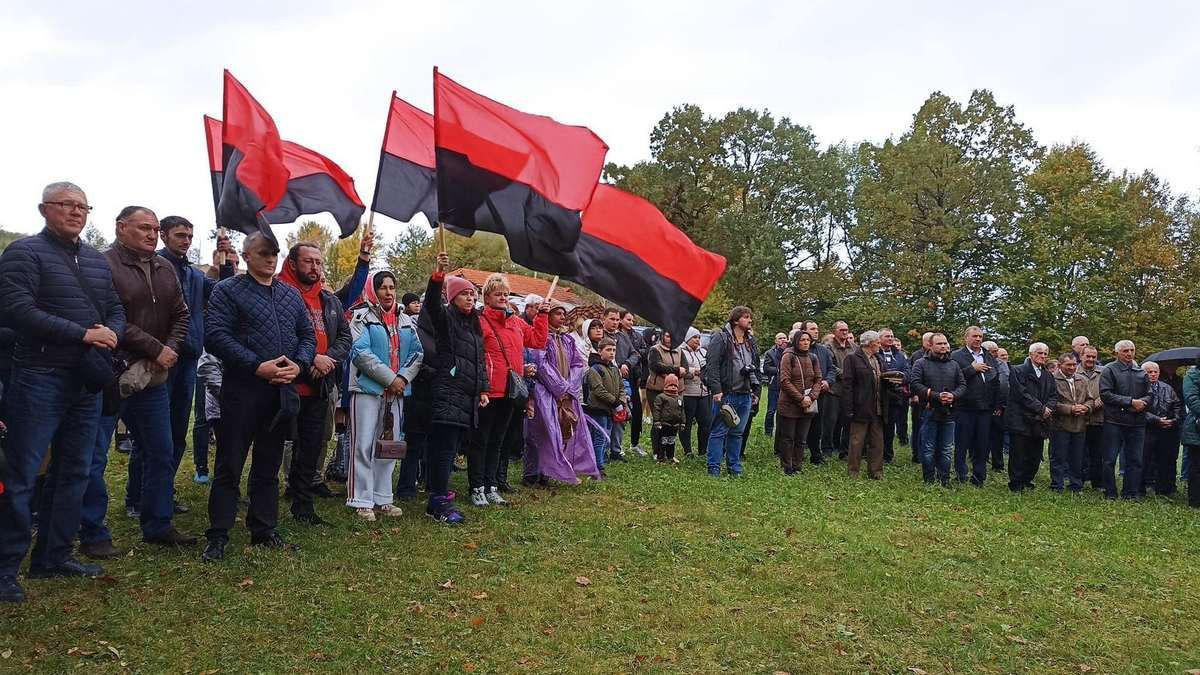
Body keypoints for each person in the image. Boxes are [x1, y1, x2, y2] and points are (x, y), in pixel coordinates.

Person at [0, 182, 126, 602]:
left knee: (74, 470)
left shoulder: (92, 259)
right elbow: (16, 310)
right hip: (39, 375)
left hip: (85, 381)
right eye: (67, 205)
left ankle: (53, 557)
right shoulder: (23, 253)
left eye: (83, 206)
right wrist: (82, 334)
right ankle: (5, 569)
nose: (76, 212)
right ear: (43, 209)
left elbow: (114, 308)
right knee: (21, 476)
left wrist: (112, 334)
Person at [72, 205, 193, 558]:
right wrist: (157, 348)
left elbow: (181, 314)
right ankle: (93, 532)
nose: (152, 234)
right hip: (110, 373)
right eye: (144, 228)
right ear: (121, 227)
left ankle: (158, 523)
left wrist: (169, 348)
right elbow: (111, 318)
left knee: (161, 450)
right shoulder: (101, 264)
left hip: (153, 377)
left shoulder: (164, 266)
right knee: (94, 457)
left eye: (155, 229)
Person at [201, 233, 315, 562]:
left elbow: (306, 334)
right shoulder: (228, 290)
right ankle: (219, 534)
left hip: (280, 390)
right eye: (263, 253)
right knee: (229, 464)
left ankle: (264, 528)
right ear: (247, 255)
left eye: (275, 253)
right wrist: (255, 365)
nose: (270, 259)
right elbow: (216, 336)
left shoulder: (290, 295)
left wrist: (300, 363)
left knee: (268, 465)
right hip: (242, 389)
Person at [155, 218, 234, 490]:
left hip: (188, 357)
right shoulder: (155, 266)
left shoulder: (193, 273)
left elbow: (223, 293)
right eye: (180, 235)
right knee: (155, 431)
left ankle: (164, 489)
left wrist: (225, 265)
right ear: (163, 235)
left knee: (177, 431)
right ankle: (139, 496)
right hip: (159, 358)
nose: (186, 241)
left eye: (190, 236)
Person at [277, 242, 352, 524]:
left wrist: (328, 360)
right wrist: (310, 361)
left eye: (319, 262)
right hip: (287, 383)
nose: (316, 267)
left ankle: (303, 505)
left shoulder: (329, 300)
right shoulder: (281, 293)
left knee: (312, 445)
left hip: (320, 385)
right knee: (278, 444)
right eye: (309, 262)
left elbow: (345, 337)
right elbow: (280, 336)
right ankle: (267, 501)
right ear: (293, 264)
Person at [344, 270, 423, 520]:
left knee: (389, 445)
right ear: (373, 290)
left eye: (392, 287)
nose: (388, 293)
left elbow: (417, 354)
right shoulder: (361, 317)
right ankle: (361, 499)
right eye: (382, 288)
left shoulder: (405, 320)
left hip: (397, 392)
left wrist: (402, 379)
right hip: (368, 389)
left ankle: (383, 497)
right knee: (364, 444)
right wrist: (390, 378)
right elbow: (360, 352)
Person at [470, 273, 549, 506]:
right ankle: (476, 486)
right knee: (481, 440)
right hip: (488, 390)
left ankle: (491, 485)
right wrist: (481, 386)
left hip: (510, 390)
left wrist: (542, 315)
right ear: (487, 296)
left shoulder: (515, 321)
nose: (503, 297)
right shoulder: (480, 321)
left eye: (506, 293)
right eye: (498, 294)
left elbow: (537, 340)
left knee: (498, 440)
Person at [419, 253, 484, 524]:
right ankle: (438, 502)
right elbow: (432, 305)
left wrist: (482, 389)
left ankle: (440, 494)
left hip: (467, 397)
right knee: (443, 450)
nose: (470, 298)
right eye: (465, 293)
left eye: (473, 294)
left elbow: (479, 360)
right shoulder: (446, 319)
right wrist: (438, 278)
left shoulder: (474, 324)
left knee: (452, 447)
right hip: (448, 393)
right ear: (453, 297)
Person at [525, 304, 599, 483]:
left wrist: (569, 388)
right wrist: (559, 388)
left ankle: (549, 471)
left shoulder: (567, 340)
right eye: (557, 313)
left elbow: (577, 364)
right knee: (540, 433)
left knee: (560, 431)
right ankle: (532, 472)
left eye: (563, 314)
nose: (562, 317)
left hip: (564, 394)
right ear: (548, 315)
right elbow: (540, 364)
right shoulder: (541, 338)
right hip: (544, 392)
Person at [704, 306, 758, 477]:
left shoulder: (751, 341)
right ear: (735, 320)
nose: (750, 320)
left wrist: (755, 390)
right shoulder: (721, 338)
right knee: (719, 431)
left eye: (750, 317)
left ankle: (734, 468)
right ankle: (714, 468)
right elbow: (712, 366)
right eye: (746, 317)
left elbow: (755, 367)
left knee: (737, 433)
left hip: (745, 393)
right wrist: (717, 389)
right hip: (727, 393)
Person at [909, 333, 966, 486]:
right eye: (939, 343)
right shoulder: (921, 363)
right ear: (931, 345)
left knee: (946, 449)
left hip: (949, 412)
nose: (943, 346)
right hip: (929, 411)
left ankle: (944, 480)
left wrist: (953, 396)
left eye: (945, 343)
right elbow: (914, 384)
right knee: (928, 448)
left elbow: (962, 385)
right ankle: (929, 480)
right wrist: (935, 396)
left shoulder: (953, 364)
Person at [1098, 340, 1151, 500]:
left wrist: (1144, 403)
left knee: (1135, 460)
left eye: (1132, 350)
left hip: (1137, 422)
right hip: (1114, 421)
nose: (1129, 353)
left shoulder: (1141, 372)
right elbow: (1105, 394)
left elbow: (1150, 394)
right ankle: (1110, 492)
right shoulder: (1109, 370)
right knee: (1109, 459)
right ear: (1117, 353)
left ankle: (1131, 493)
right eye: (1125, 350)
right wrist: (1130, 402)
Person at [950, 326, 1002, 486]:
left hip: (985, 408)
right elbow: (953, 378)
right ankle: (961, 475)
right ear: (966, 338)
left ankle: (979, 477)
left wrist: (997, 403)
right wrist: (972, 369)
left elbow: (995, 379)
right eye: (974, 336)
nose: (978, 339)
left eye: (980, 336)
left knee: (982, 444)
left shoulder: (988, 356)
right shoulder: (957, 356)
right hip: (965, 407)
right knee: (962, 443)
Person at [1006, 343, 1058, 492]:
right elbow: (1021, 394)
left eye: (1045, 354)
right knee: (1019, 454)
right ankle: (1016, 483)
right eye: (1039, 353)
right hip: (1021, 419)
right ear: (1031, 354)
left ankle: (1027, 480)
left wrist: (1048, 408)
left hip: (1039, 421)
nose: (1043, 356)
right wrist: (1041, 408)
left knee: (1035, 455)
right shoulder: (1018, 370)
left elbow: (1054, 395)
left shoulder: (1048, 375)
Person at [774, 329, 822, 475]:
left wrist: (811, 397)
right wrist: (800, 398)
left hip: (807, 404)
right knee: (788, 437)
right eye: (802, 340)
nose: (805, 342)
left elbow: (818, 379)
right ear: (796, 341)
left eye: (808, 340)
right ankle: (787, 466)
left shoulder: (813, 357)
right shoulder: (788, 356)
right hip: (789, 403)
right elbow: (784, 381)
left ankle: (797, 465)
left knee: (801, 438)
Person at [1049, 353, 1099, 492]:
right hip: (1060, 425)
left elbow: (1090, 399)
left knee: (1077, 457)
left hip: (1079, 425)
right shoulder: (1052, 380)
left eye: (1074, 364)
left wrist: (1086, 407)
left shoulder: (1082, 380)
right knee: (1058, 457)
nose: (1072, 368)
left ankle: (1076, 485)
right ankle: (1057, 485)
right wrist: (1069, 409)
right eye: (1068, 365)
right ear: (1060, 366)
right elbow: (1051, 402)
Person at [842, 331, 886, 479]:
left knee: (877, 441)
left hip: (878, 406)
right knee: (857, 441)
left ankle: (876, 472)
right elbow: (847, 385)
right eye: (878, 342)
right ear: (870, 343)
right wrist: (848, 409)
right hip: (861, 406)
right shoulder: (852, 359)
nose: (880, 345)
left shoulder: (878, 359)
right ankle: (853, 472)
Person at [584, 337, 626, 477]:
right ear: (599, 351)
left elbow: (621, 386)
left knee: (606, 436)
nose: (612, 353)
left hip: (610, 409)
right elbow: (598, 390)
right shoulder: (595, 369)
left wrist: (621, 401)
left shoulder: (614, 369)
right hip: (598, 408)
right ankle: (597, 466)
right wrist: (615, 402)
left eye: (614, 350)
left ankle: (600, 462)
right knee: (599, 437)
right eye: (608, 350)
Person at [1143, 361, 1182, 496]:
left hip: (1166, 428)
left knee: (1165, 458)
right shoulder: (1140, 388)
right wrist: (1156, 420)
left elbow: (1177, 404)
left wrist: (1175, 419)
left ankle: (1164, 487)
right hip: (1148, 428)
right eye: (1150, 372)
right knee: (1146, 458)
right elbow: (1139, 410)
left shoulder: (1167, 388)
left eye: (1155, 371)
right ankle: (1145, 485)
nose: (1153, 374)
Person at [801, 321, 837, 464]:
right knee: (799, 426)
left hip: (820, 394)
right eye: (812, 329)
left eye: (817, 329)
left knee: (817, 426)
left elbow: (832, 369)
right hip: (800, 394)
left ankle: (816, 455)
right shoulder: (794, 350)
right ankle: (796, 454)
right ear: (803, 331)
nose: (816, 331)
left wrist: (828, 381)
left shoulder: (823, 350)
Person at [824, 321, 856, 459]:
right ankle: (826, 449)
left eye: (846, 330)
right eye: (842, 330)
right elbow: (829, 365)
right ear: (835, 331)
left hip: (849, 391)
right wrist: (846, 374)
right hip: (834, 389)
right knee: (830, 421)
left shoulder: (854, 347)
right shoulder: (828, 347)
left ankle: (844, 450)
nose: (845, 332)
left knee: (847, 421)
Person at [877, 328, 909, 463]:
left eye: (891, 336)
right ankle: (874, 453)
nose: (890, 338)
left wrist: (901, 379)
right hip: (878, 396)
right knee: (878, 427)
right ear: (879, 339)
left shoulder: (900, 355)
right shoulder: (875, 354)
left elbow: (908, 371)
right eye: (887, 336)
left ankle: (888, 455)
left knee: (890, 427)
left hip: (895, 396)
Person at [679, 328, 711, 459]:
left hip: (703, 392)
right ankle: (688, 451)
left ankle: (702, 451)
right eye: (694, 337)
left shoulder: (704, 352)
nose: (698, 340)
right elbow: (679, 370)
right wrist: (694, 371)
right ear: (687, 339)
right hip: (688, 392)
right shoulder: (681, 352)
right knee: (686, 423)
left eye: (699, 337)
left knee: (705, 422)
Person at [1077, 346, 1105, 489]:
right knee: (1078, 452)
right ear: (1081, 356)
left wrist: (1094, 404)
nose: (1091, 359)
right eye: (1088, 356)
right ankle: (1078, 481)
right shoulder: (1073, 371)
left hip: (1098, 419)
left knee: (1098, 453)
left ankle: (1098, 482)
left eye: (1093, 357)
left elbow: (1107, 391)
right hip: (1078, 418)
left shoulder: (1104, 372)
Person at [908, 331, 935, 464]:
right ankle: (917, 455)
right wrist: (914, 395)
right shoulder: (917, 356)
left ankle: (929, 454)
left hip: (934, 398)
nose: (930, 343)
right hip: (919, 398)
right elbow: (913, 378)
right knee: (918, 427)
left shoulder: (940, 357)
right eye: (928, 341)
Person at [646, 331, 685, 415]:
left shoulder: (680, 350)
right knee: (659, 419)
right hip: (658, 390)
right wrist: (677, 370)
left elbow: (685, 368)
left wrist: (674, 373)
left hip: (677, 390)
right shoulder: (655, 349)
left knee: (673, 418)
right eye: (667, 336)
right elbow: (656, 366)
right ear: (662, 336)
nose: (670, 339)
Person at [651, 374, 685, 464]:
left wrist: (683, 423)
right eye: (671, 385)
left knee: (671, 441)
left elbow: (682, 411)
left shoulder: (680, 398)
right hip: (664, 424)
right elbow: (657, 409)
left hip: (675, 424)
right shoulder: (661, 397)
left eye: (675, 385)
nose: (673, 387)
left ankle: (671, 456)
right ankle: (661, 457)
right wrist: (657, 421)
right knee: (663, 441)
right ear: (665, 385)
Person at [1181, 358, 1200, 507]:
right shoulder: (1192, 375)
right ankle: (1195, 501)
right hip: (1196, 427)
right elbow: (1192, 399)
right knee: (1196, 466)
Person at [761, 332, 788, 437]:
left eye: (784, 338)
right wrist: (780, 370)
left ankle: (781, 432)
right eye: (780, 338)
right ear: (776, 341)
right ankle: (768, 432)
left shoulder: (790, 351)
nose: (783, 340)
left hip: (786, 385)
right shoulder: (770, 353)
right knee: (771, 410)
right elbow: (766, 368)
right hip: (774, 385)